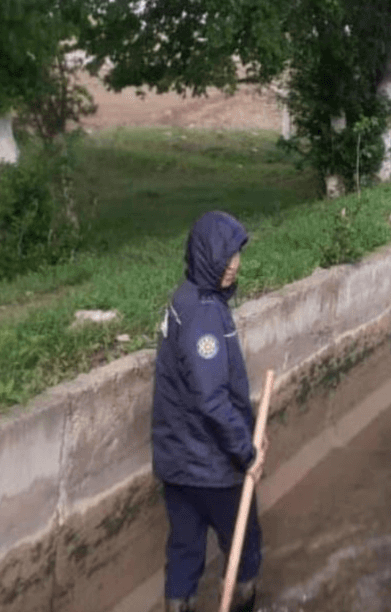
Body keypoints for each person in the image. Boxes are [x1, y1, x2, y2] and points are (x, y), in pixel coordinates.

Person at [152, 210, 266, 612]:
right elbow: (211, 400)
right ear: (206, 256)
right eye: (226, 256)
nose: (234, 265)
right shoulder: (203, 314)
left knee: (184, 554)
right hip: (212, 468)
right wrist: (247, 452)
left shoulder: (184, 297)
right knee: (245, 546)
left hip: (177, 463)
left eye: (236, 255)